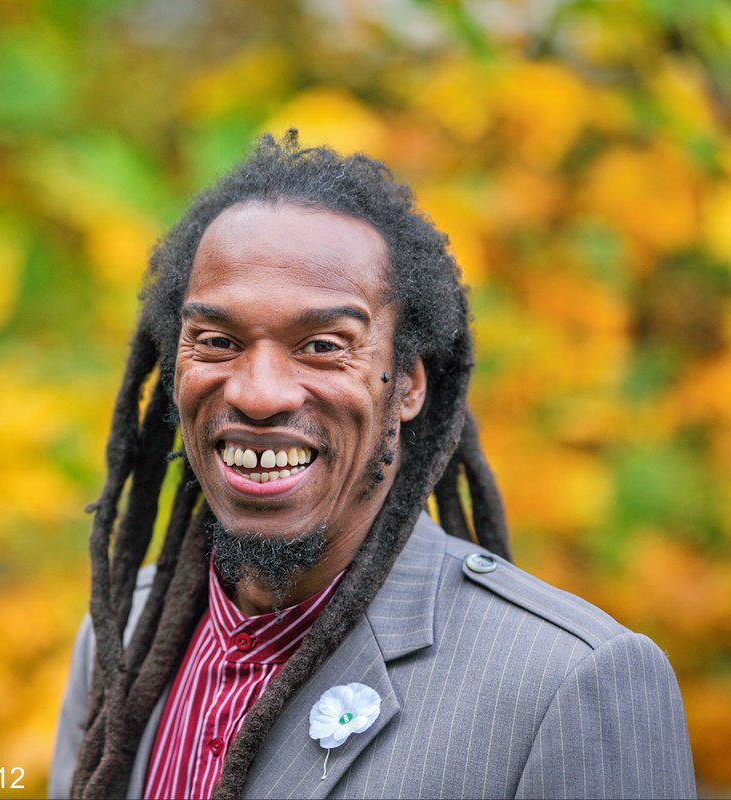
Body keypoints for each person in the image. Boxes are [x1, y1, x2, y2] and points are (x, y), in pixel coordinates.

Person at [50, 133, 696, 799]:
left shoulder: (566, 682)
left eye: (323, 346)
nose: (258, 392)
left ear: (408, 386)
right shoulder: (118, 638)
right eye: (218, 341)